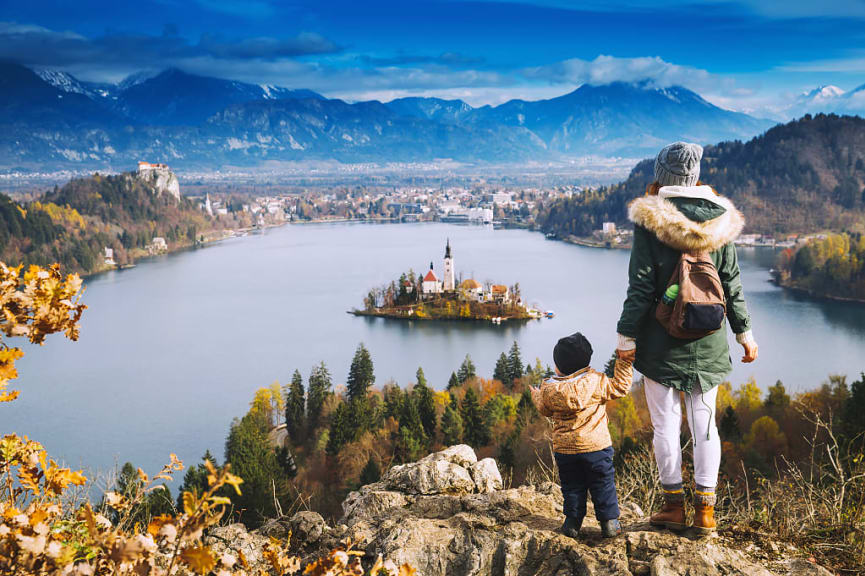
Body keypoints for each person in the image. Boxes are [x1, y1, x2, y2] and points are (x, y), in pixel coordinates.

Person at [616, 141, 758, 534]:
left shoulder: (651, 220)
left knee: (665, 426)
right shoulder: (721, 220)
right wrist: (744, 332)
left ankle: (673, 505)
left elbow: (641, 289)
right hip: (708, 339)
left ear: (661, 174)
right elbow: (730, 282)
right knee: (705, 425)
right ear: (695, 176)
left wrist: (626, 338)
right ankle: (706, 513)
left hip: (661, 342)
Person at [530, 332, 634, 539]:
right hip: (596, 447)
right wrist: (624, 362)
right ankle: (610, 523)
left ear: (558, 366)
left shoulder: (550, 388)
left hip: (565, 450)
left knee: (572, 487)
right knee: (602, 483)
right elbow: (621, 387)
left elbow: (544, 409)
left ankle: (572, 523)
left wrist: (536, 395)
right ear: (586, 362)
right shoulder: (596, 382)